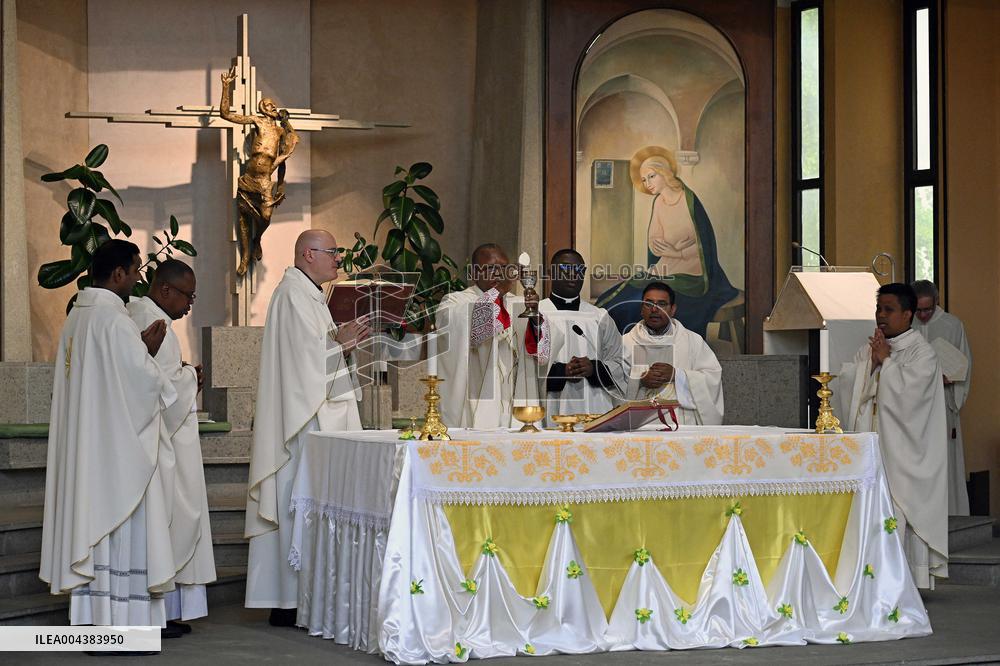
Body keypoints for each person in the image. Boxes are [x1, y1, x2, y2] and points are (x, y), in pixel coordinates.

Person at [39, 239, 179, 637]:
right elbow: (139, 386)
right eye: (135, 269)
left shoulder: (78, 318)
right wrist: (148, 354)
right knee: (120, 533)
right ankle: (123, 627)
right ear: (117, 273)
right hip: (116, 458)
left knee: (95, 531)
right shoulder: (115, 321)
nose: (138, 277)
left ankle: (92, 624)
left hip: (90, 452)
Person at [244, 230, 370, 625]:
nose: (339, 260)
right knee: (299, 501)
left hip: (317, 413)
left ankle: (309, 595)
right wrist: (340, 345)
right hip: (304, 422)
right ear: (307, 254)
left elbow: (315, 352)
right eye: (333, 252)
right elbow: (302, 365)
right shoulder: (292, 295)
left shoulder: (311, 294)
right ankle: (288, 599)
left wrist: (339, 343)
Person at [128, 260, 216, 634]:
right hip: (163, 445)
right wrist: (189, 379)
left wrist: (180, 375)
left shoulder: (136, 312)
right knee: (167, 524)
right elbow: (157, 388)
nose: (190, 305)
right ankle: (158, 614)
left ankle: (164, 613)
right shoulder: (154, 321)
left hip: (164, 441)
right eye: (187, 295)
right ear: (165, 290)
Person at [840, 283, 948, 589]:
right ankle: (871, 581)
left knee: (900, 511)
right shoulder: (870, 347)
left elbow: (910, 399)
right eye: (878, 309)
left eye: (888, 310)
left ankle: (905, 582)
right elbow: (850, 384)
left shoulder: (921, 353)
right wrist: (871, 364)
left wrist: (886, 362)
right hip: (872, 451)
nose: (881, 316)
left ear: (907, 314)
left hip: (902, 457)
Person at [596, 146, 737, 337]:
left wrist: (675, 251)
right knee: (622, 296)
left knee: (641, 302)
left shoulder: (688, 200)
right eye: (644, 180)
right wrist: (668, 249)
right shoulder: (659, 202)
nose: (647, 183)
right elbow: (654, 241)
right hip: (666, 267)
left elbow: (702, 247)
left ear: (664, 172)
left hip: (692, 273)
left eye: (651, 176)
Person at [435, 243, 550, 428]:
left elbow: (541, 354)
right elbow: (475, 328)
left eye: (503, 268)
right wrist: (497, 292)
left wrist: (536, 318)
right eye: (490, 268)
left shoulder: (519, 303)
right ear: (474, 272)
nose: (498, 274)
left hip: (515, 401)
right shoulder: (455, 302)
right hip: (477, 398)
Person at [221, 65, 301, 276]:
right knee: (243, 217)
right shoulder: (257, 121)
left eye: (273, 104)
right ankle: (246, 256)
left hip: (266, 179)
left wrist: (281, 184)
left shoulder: (281, 130)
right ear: (262, 109)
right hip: (249, 177)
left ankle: (257, 240)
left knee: (265, 217)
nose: (272, 106)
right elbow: (226, 114)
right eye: (267, 105)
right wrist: (225, 87)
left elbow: (283, 158)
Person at [539, 249, 626, 420]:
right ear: (550, 273)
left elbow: (620, 363)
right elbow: (524, 368)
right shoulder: (537, 314)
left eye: (579, 270)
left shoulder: (599, 317)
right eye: (566, 268)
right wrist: (561, 371)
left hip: (595, 403)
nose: (573, 275)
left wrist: (594, 368)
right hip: (550, 402)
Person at [621, 282, 724, 425]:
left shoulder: (692, 341)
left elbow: (712, 377)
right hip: (638, 426)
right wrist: (639, 379)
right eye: (648, 304)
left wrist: (677, 375)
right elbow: (612, 381)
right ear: (641, 309)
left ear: (672, 310)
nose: (654, 309)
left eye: (662, 304)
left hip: (681, 424)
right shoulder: (626, 343)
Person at [912, 279, 973, 515]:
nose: (923, 315)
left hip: (943, 401)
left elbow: (964, 363)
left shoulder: (952, 325)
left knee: (944, 460)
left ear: (937, 302)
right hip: (914, 404)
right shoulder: (906, 325)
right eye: (918, 310)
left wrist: (953, 379)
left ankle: (950, 513)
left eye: (927, 309)